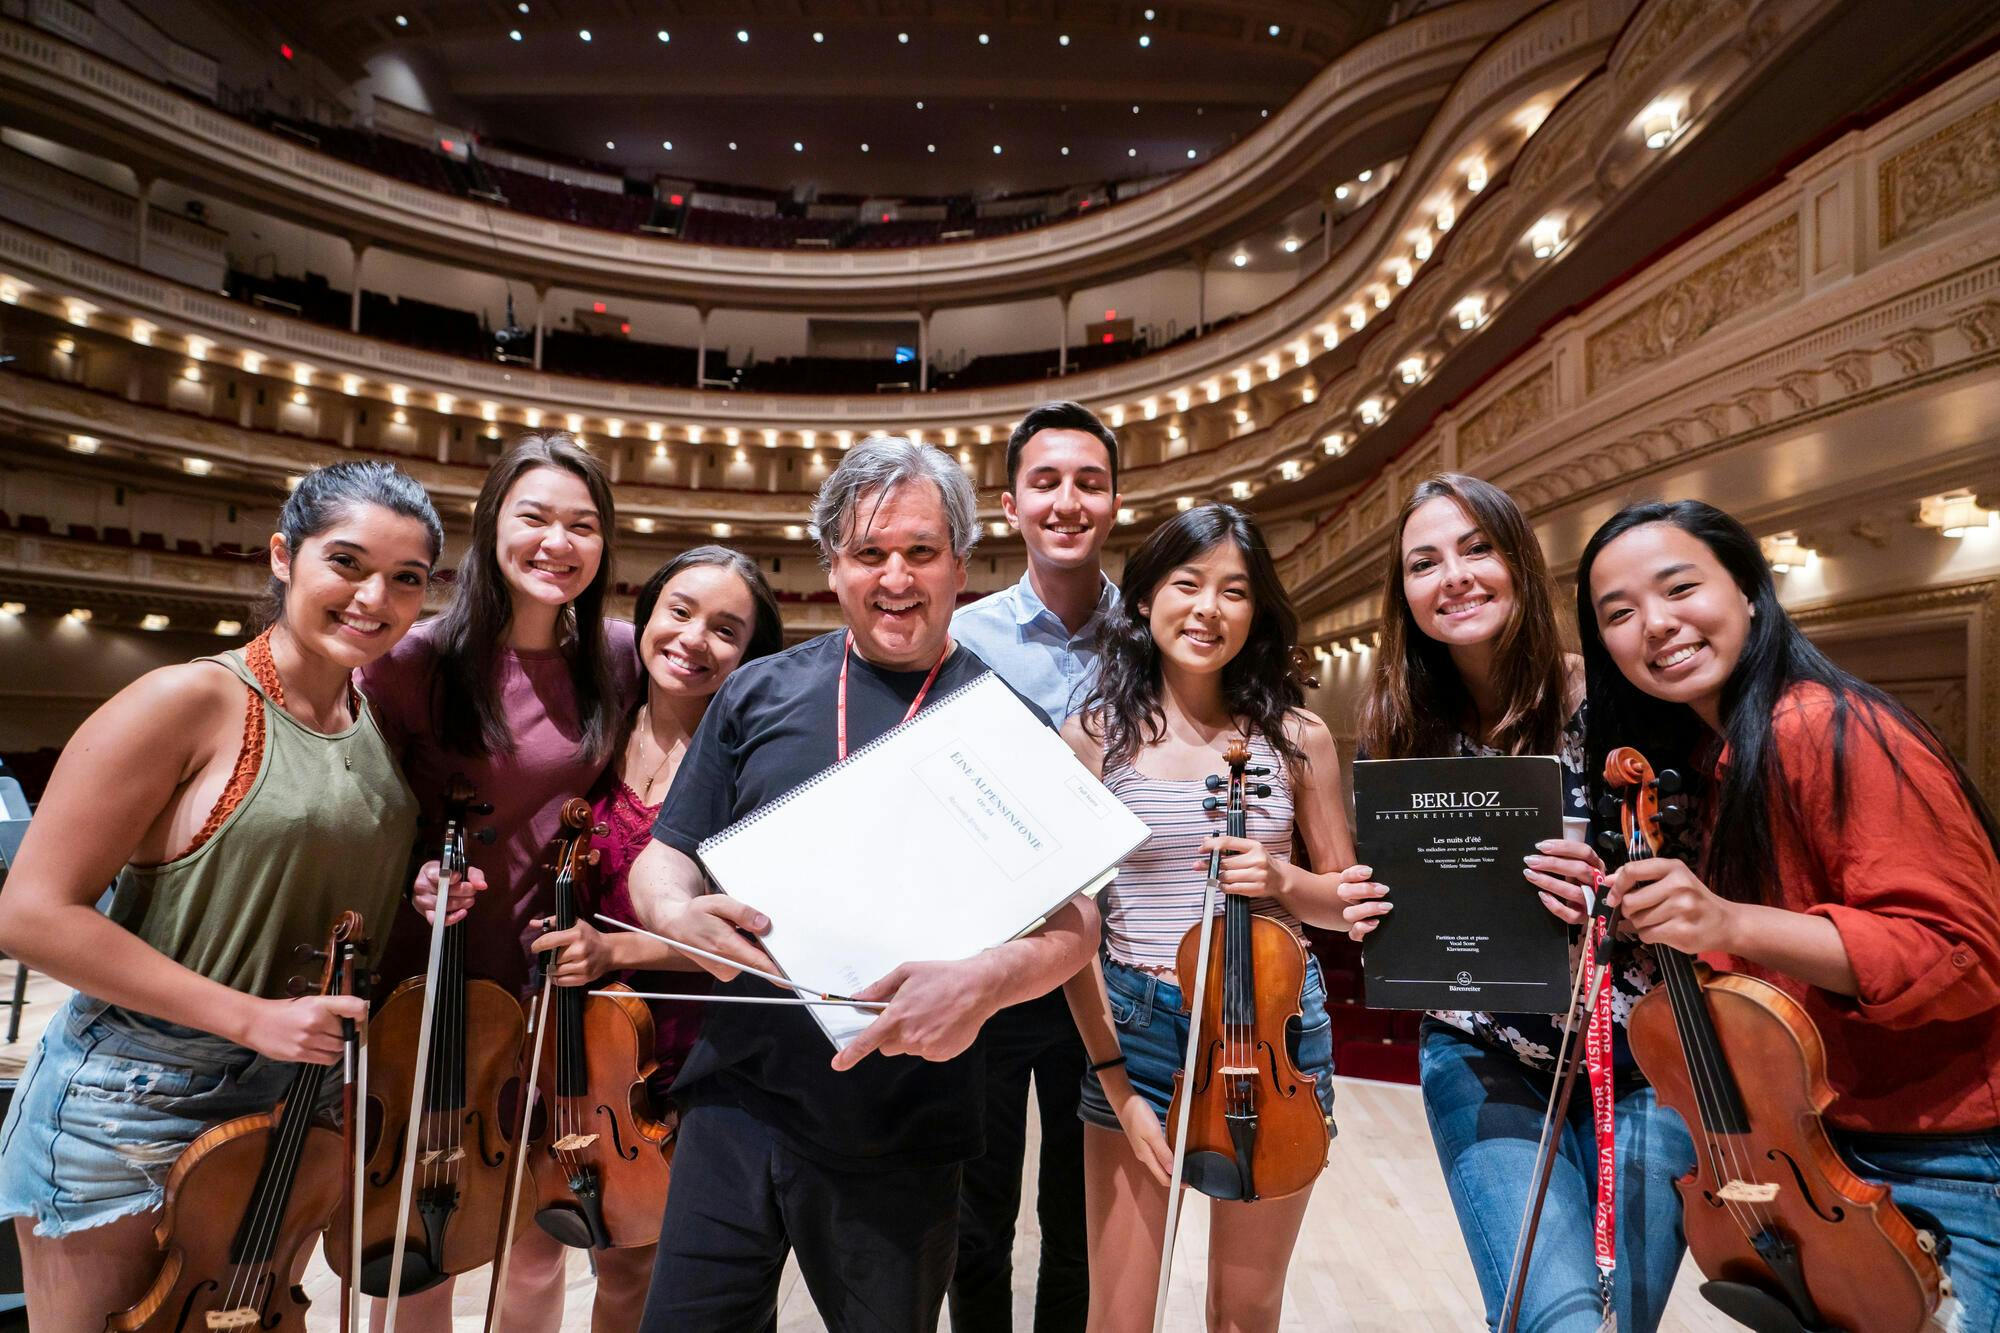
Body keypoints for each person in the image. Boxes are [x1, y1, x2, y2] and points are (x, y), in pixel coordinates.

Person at [625, 435, 1103, 1333]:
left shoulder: (1008, 720)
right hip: (736, 1096)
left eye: (921, 552)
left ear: (959, 564)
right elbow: (665, 854)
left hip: (904, 1124)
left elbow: (1078, 922)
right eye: (869, 552)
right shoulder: (758, 691)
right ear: (833, 568)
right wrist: (675, 912)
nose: (895, 577)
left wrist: (986, 981)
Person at [0, 461, 443, 1333]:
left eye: (406, 578)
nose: (374, 596)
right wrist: (247, 1017)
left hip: (295, 1094)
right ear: (284, 556)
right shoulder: (188, 699)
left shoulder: (369, 719)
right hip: (139, 1095)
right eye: (346, 562)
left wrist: (418, 885)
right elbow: (30, 913)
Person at [1579, 498, 2000, 1327]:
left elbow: (1961, 950)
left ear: (1747, 590)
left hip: (1939, 1159)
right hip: (1828, 1147)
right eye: (1619, 613)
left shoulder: (1824, 726)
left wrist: (1727, 922)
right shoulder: (1715, 757)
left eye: (1678, 588)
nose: (1655, 625)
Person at [1336, 474, 1693, 1332]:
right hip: (1481, 1048)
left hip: (1643, 1056)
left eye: (1477, 548)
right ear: (1406, 595)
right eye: (1424, 562)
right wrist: (1371, 904)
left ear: (1520, 564)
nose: (1452, 575)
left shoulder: (1612, 700)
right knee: (1556, 1318)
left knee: (1618, 1319)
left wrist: (1611, 893)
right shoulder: (1398, 724)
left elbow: (1701, 878)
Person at [360, 431, 639, 1332]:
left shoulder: (622, 657)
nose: (559, 542)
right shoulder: (414, 663)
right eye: (536, 517)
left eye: (583, 524)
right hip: (435, 978)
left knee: (534, 1249)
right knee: (426, 1247)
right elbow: (366, 811)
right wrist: (412, 880)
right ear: (491, 525)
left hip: (552, 977)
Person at [1061, 503, 1356, 1333]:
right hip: (1140, 1025)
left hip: (1274, 1033)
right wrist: (1117, 1082)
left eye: (1234, 591)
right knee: (1118, 1318)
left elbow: (1347, 904)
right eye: (1187, 584)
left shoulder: (1297, 735)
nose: (1208, 609)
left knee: (1245, 1311)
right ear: (1148, 595)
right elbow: (1071, 931)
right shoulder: (1092, 738)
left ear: (1255, 611)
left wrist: (1286, 879)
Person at [526, 545, 784, 1331]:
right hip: (580, 1039)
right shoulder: (592, 727)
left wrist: (619, 951)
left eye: (726, 630)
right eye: (680, 611)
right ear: (645, 616)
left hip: (688, 1039)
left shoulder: (752, 761)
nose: (694, 639)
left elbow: (762, 934)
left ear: (749, 656)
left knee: (639, 1266)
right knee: (566, 1253)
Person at [949, 400, 1121, 1333]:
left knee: (1078, 1210)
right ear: (1010, 504)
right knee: (976, 1213)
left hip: (1111, 960)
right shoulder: (963, 636)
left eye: (1088, 482)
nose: (1067, 500)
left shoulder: (1150, 637)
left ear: (1114, 500)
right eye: (1045, 482)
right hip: (993, 956)